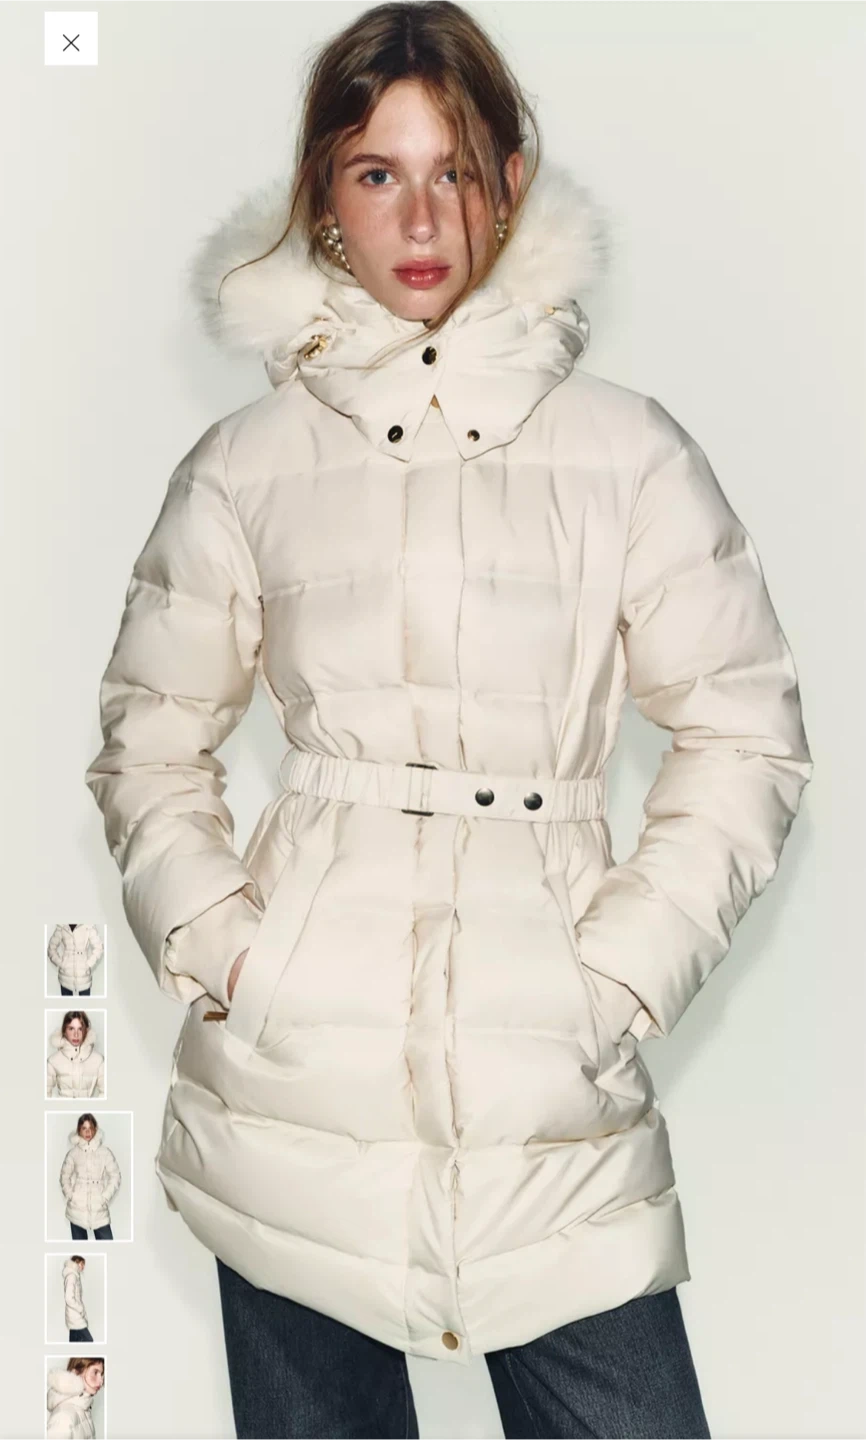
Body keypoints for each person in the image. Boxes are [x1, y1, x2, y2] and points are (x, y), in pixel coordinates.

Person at [84, 2, 813, 1435]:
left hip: (548, 1095)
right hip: (291, 1099)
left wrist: (612, 981)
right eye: (377, 172)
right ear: (324, 195)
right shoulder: (244, 467)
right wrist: (233, 953)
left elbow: (743, 735)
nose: (420, 218)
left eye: (454, 170)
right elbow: (149, 739)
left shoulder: (628, 454)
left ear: (510, 183)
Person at [59, 1115, 120, 1242]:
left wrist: (104, 1197)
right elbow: (64, 1176)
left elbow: (115, 1176)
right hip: (76, 1208)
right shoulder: (73, 1153)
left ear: (95, 1129)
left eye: (90, 1128)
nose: (88, 1132)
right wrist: (71, 1196)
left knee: (108, 1245)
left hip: (99, 1208)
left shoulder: (105, 1152)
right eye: (84, 1128)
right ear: (79, 1130)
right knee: (79, 1247)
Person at [47, 1013, 105, 1100]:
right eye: (71, 1029)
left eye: (80, 1029)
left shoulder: (98, 1060)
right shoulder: (53, 1061)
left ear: (86, 1030)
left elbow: (106, 1093)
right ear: (64, 1031)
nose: (76, 1034)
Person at [45, 1358, 103, 1440]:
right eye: (95, 1372)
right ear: (76, 1372)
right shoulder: (63, 1417)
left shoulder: (83, 1408)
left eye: (101, 1374)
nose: (101, 1381)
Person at [47, 923, 104, 997]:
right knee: (66, 1003)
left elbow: (99, 948)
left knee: (85, 1003)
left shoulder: (88, 926)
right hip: (65, 975)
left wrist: (88, 964)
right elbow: (51, 949)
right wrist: (62, 964)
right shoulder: (62, 926)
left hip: (83, 975)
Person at [62, 1255, 93, 1343]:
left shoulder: (75, 1275)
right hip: (75, 1317)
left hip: (74, 1316)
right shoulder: (72, 1276)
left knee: (74, 1342)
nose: (83, 1267)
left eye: (84, 1264)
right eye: (81, 1264)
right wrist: (80, 1308)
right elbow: (69, 1298)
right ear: (75, 1263)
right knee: (88, 1340)